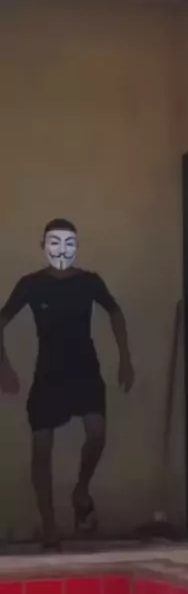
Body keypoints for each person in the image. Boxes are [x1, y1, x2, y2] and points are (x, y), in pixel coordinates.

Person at [0, 218, 134, 550]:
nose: (61, 249)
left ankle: (81, 489)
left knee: (97, 433)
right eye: (54, 242)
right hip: (48, 375)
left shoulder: (89, 281)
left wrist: (125, 357)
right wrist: (4, 367)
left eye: (68, 243)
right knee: (41, 450)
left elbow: (115, 312)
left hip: (85, 370)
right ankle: (49, 527)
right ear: (43, 246)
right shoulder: (31, 284)